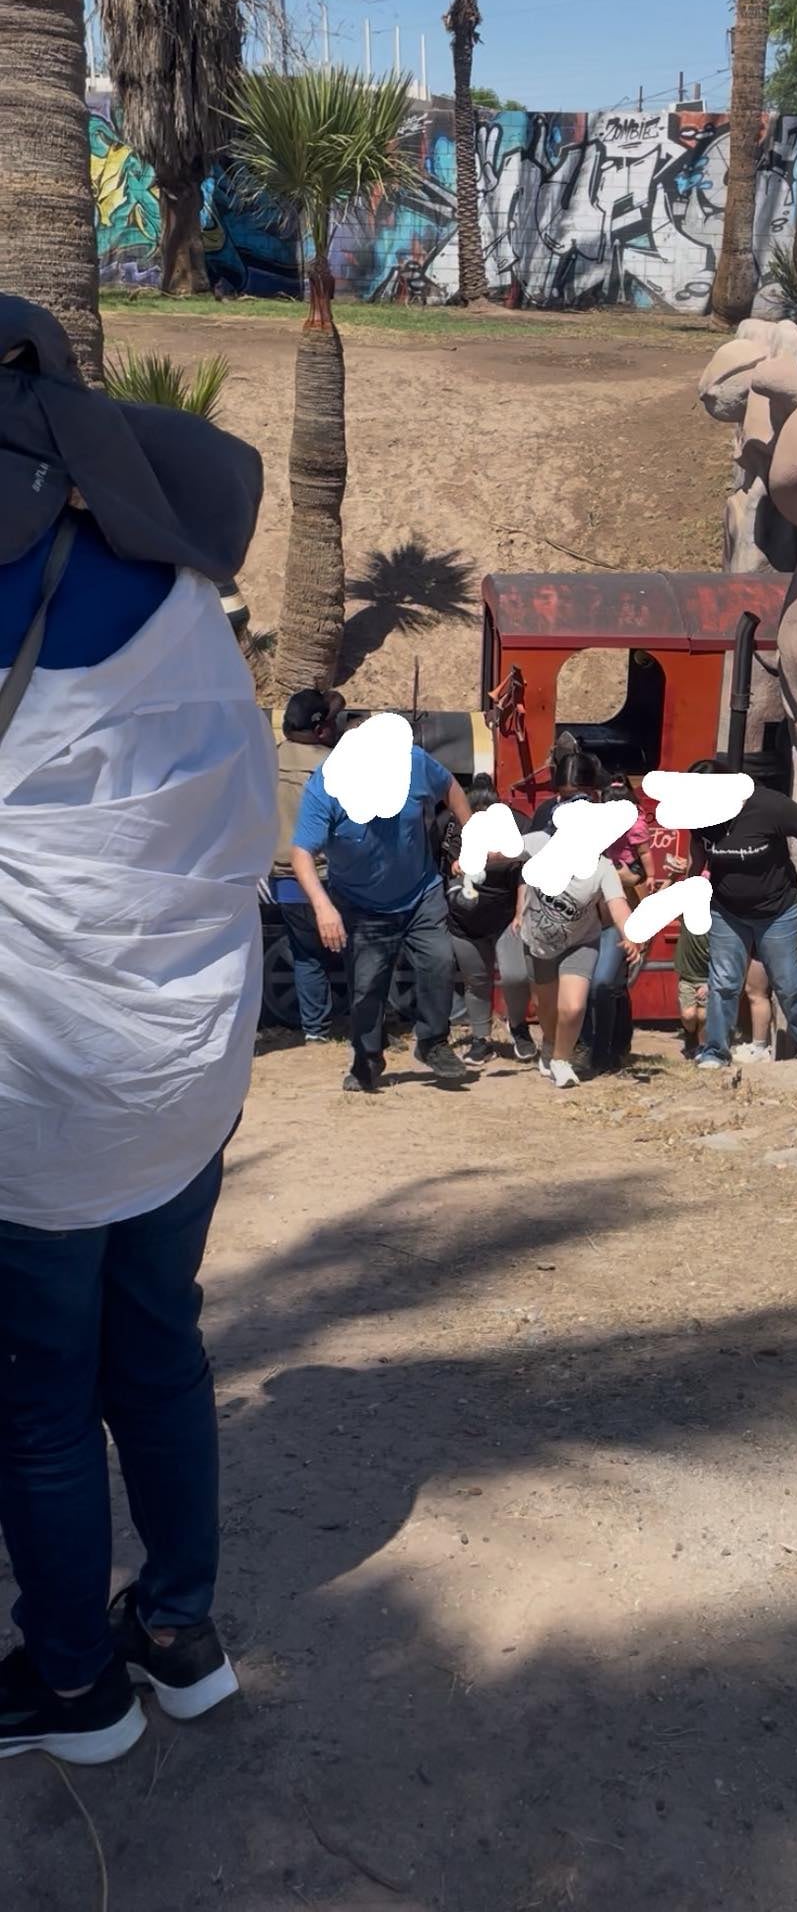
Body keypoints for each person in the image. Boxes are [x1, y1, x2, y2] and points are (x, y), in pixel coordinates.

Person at [0, 294, 276, 1762]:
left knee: (39, 1399)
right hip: (184, 1062)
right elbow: (236, 823)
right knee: (159, 1348)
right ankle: (179, 1636)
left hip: (34, 1090)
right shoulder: (179, 592)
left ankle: (75, 1691)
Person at [291, 735, 472, 1092]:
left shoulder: (413, 762)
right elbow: (301, 854)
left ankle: (433, 1042)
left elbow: (450, 787)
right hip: (360, 904)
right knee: (367, 987)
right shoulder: (324, 788)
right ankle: (369, 1058)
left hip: (421, 893)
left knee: (438, 961)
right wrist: (323, 907)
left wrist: (472, 839)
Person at [677, 759, 797, 1068]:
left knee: (787, 980)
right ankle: (715, 1052)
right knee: (723, 982)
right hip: (726, 911)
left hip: (778, 911)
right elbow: (698, 855)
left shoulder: (770, 806)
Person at [517, 766, 642, 1089]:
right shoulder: (539, 844)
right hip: (539, 941)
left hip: (581, 942)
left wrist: (630, 934)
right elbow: (503, 850)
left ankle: (561, 1060)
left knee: (572, 1007)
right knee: (546, 1008)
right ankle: (549, 1043)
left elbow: (618, 904)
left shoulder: (602, 868)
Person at [435, 775, 535, 1066]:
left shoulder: (518, 825)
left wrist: (520, 912)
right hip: (464, 919)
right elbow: (437, 867)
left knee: (516, 976)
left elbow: (526, 872)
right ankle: (481, 1039)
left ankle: (519, 1026)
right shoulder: (449, 827)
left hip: (505, 915)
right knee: (476, 981)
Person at [269, 688, 345, 1041]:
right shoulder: (334, 766)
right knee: (360, 950)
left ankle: (315, 1030)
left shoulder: (270, 760)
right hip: (331, 878)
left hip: (285, 880)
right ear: (320, 729)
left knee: (305, 954)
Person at [588, 774, 656, 1072]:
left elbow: (642, 865)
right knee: (611, 983)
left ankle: (604, 1050)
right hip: (595, 914)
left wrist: (642, 876)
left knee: (605, 983)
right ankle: (612, 1046)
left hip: (620, 915)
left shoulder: (635, 829)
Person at [675, 915, 710, 1059]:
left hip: (707, 979)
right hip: (687, 977)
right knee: (688, 1015)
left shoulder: (717, 928)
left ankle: (701, 1046)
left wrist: (710, 984)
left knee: (703, 1016)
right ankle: (690, 1037)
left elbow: (723, 960)